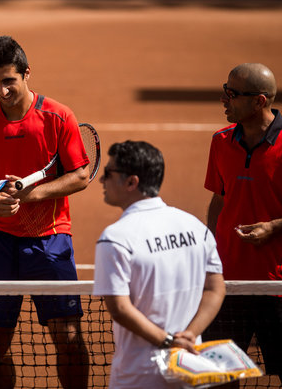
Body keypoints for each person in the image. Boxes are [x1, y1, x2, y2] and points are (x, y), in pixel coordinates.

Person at [0, 35, 90, 389]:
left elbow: (80, 175)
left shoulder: (58, 117)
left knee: (69, 340)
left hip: (51, 239)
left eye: (8, 81)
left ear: (27, 74)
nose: (1, 91)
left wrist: (31, 195)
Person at [203, 63, 282, 389]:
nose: (223, 99)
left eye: (232, 94)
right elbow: (220, 200)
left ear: (259, 101)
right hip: (227, 284)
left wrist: (274, 227)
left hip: (278, 283)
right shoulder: (221, 141)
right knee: (220, 377)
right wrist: (211, 253)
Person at [93, 140, 226, 389]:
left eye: (108, 173)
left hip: (139, 377)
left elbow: (120, 308)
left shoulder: (116, 237)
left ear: (131, 182)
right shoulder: (196, 227)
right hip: (190, 368)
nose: (102, 180)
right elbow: (215, 289)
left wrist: (168, 342)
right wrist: (188, 337)